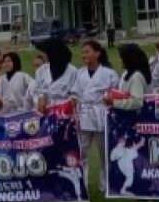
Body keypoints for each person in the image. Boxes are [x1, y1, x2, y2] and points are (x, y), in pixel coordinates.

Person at [71, 41, 118, 184]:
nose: (84, 55)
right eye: (82, 52)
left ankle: (106, 183)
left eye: (87, 52)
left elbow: (114, 93)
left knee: (104, 151)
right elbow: (75, 94)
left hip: (101, 114)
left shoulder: (109, 73)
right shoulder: (79, 73)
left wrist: (109, 98)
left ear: (97, 53)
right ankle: (82, 183)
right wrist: (74, 113)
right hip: (83, 114)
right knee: (81, 151)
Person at [34, 38, 79, 111]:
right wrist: (40, 97)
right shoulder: (41, 70)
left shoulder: (73, 71)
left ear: (53, 53)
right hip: (45, 110)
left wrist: (63, 106)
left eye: (46, 52)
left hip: (65, 113)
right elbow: (37, 90)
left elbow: (75, 95)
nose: (43, 55)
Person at [106, 43, 152, 112]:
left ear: (128, 59)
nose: (119, 60)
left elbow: (137, 102)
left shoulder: (136, 76)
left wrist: (114, 102)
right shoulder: (128, 73)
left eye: (121, 58)